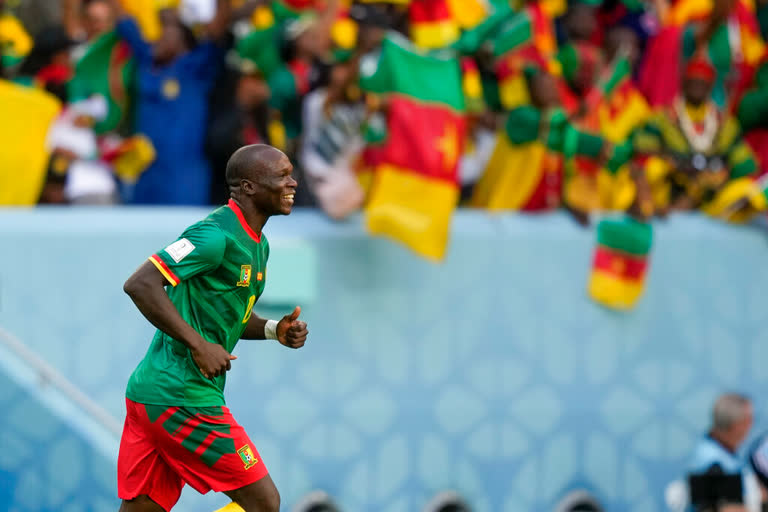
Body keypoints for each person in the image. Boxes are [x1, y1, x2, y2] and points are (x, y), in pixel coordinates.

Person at [118, 144, 309, 512]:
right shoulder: (213, 236)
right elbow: (140, 284)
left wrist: (273, 329)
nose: (293, 182)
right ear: (248, 186)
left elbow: (226, 317)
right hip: (181, 395)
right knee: (263, 502)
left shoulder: (258, 245)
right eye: (282, 175)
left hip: (154, 395)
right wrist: (197, 344)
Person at [107, 0, 231, 205]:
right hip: (144, 174)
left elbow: (219, 27)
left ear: (185, 38)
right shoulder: (146, 59)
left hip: (182, 177)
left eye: (168, 30)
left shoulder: (197, 67)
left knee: (183, 235)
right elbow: (123, 17)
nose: (160, 36)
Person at [686, 393, 761, 511]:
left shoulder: (721, 453)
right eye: (749, 420)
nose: (751, 425)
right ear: (735, 424)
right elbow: (716, 508)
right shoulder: (713, 464)